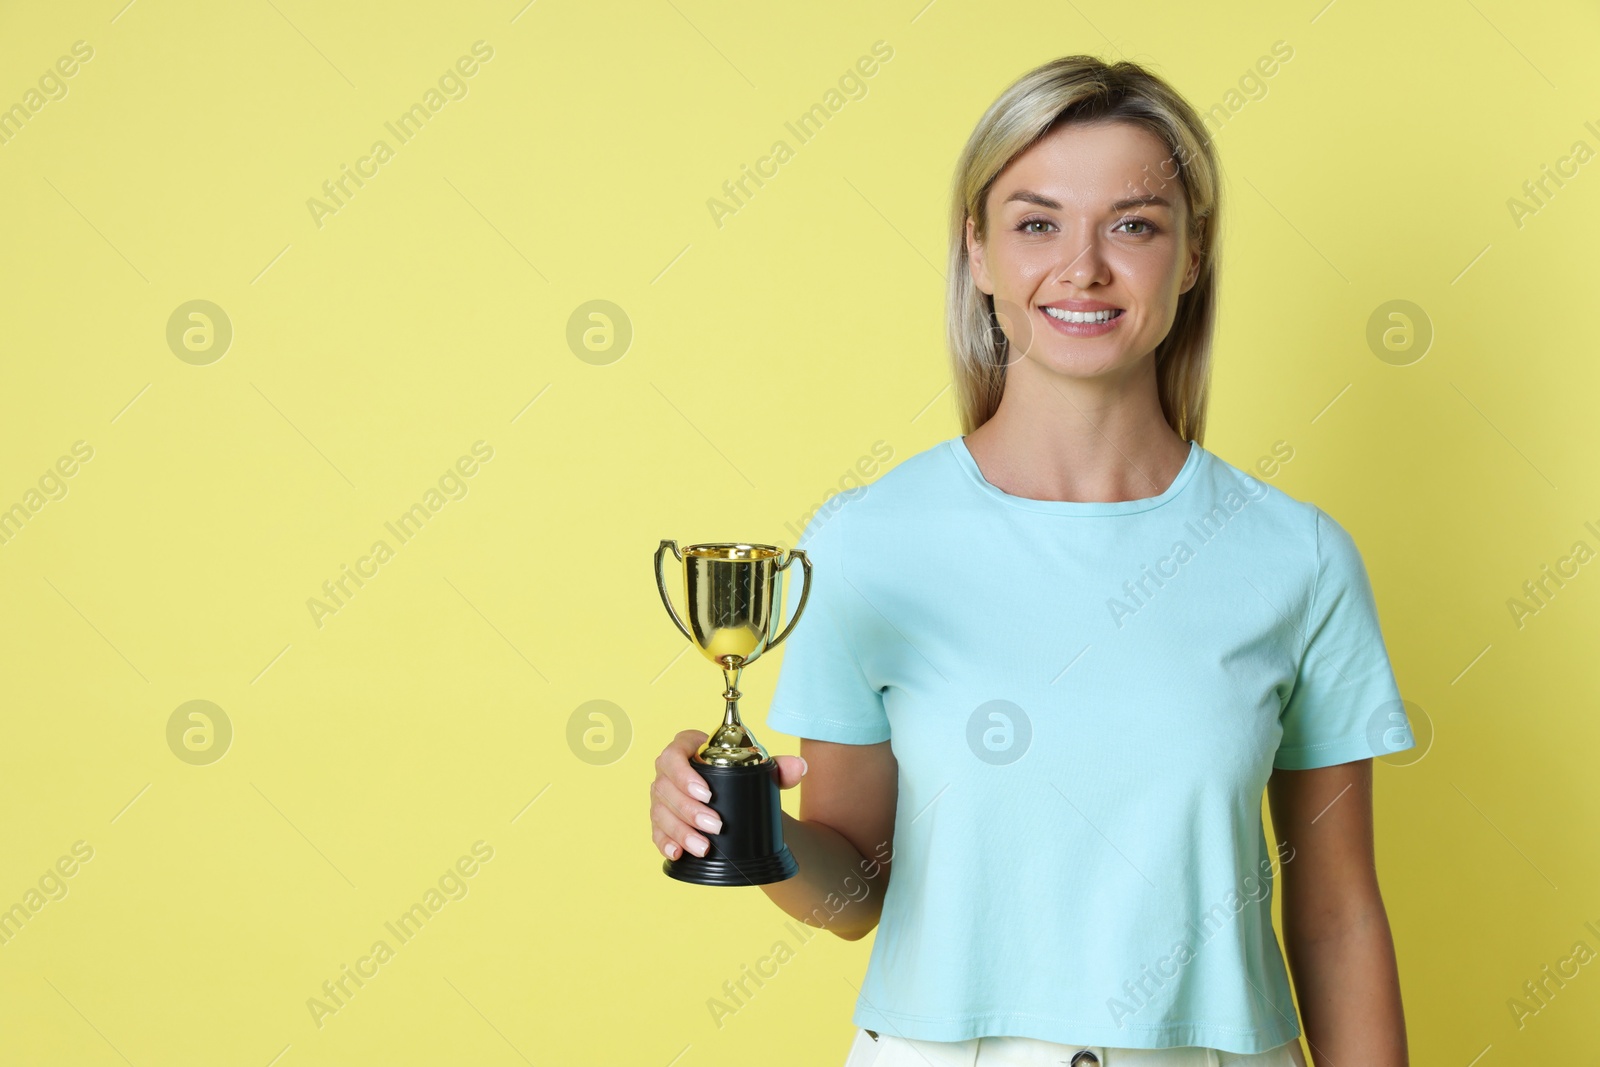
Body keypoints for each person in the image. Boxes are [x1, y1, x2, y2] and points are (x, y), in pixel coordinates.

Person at [649, 54, 1415, 1067]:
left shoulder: (1298, 557)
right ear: (978, 252)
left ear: (1191, 255)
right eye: (1036, 222)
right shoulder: (867, 539)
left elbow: (1336, 915)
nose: (1084, 267)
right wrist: (745, 830)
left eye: (1133, 223)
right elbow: (854, 895)